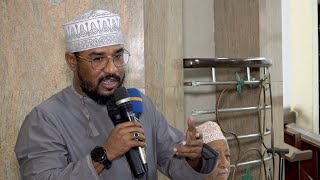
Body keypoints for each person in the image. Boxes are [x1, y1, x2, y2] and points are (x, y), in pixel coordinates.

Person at [14, 9, 218, 180]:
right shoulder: (44, 119)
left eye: (118, 56)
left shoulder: (138, 103)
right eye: (98, 59)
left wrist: (194, 156)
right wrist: (104, 154)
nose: (112, 69)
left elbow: (174, 163)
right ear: (72, 61)